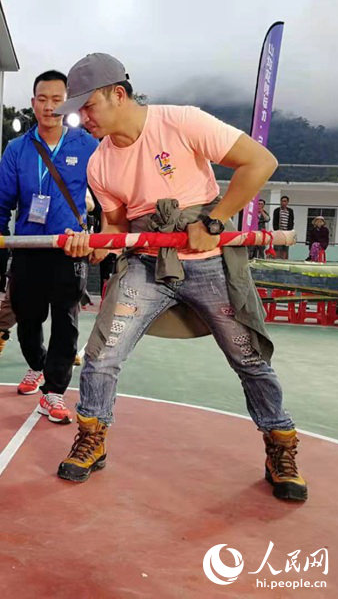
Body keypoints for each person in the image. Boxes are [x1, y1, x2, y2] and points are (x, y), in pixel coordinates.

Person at [56, 53, 307, 502]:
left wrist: (214, 219)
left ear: (119, 93)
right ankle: (92, 438)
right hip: (146, 264)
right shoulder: (99, 164)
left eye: (87, 105)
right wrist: (91, 243)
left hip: (208, 259)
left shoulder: (181, 122)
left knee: (249, 359)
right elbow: (115, 229)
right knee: (101, 354)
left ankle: (280, 448)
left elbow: (260, 162)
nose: (82, 118)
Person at [0, 69, 98, 425]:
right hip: (27, 249)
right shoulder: (17, 149)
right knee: (27, 319)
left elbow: (110, 196)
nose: (49, 107)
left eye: (57, 100)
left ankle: (55, 390)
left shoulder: (87, 145)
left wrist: (102, 239)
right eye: (42, 100)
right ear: (33, 104)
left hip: (69, 250)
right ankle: (37, 364)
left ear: (68, 103)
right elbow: (1, 207)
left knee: (66, 320)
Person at [272, 195, 294, 259]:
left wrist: (290, 230)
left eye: (285, 201)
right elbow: (275, 221)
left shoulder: (290, 211)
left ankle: (284, 260)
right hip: (278, 232)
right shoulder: (277, 210)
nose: (283, 203)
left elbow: (291, 221)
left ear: (287, 202)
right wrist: (276, 230)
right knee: (277, 247)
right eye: (282, 201)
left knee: (285, 248)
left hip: (287, 233)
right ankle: (276, 259)